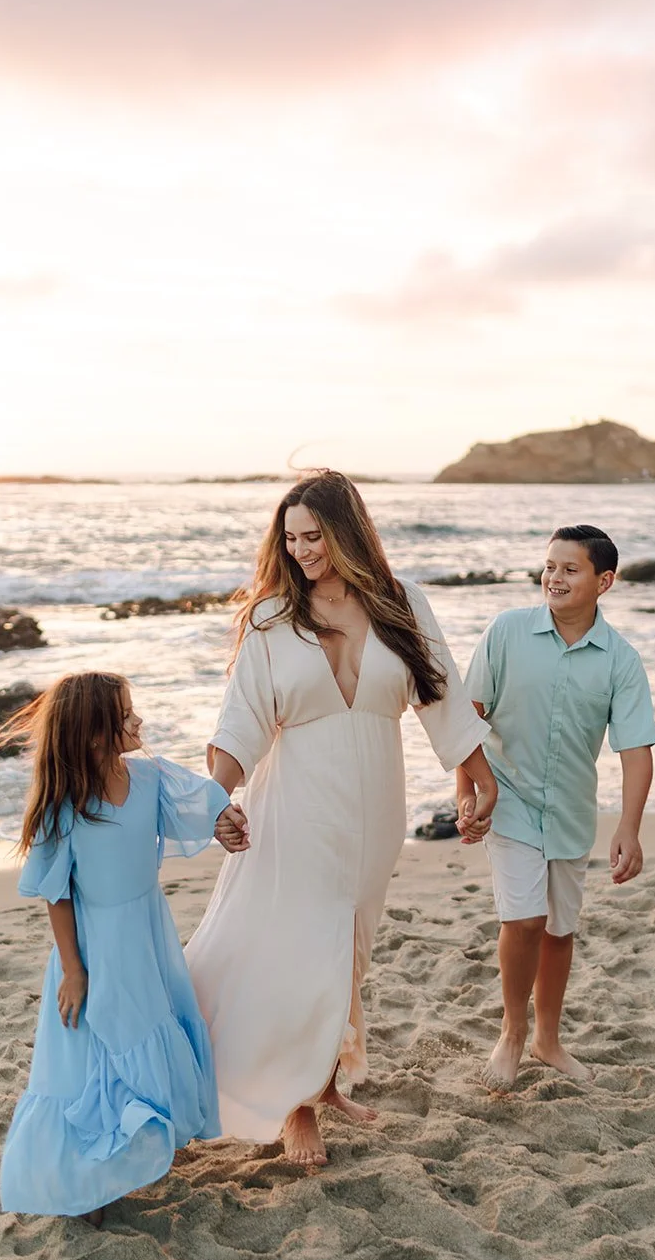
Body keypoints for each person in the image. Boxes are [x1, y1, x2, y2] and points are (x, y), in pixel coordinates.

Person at [186, 470, 496, 1167]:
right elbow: (240, 725)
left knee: (347, 946)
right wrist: (215, 799)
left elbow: (441, 695)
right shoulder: (270, 618)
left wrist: (478, 779)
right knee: (302, 945)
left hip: (376, 805)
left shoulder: (400, 602)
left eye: (313, 537)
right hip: (296, 804)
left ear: (346, 533)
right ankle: (295, 1108)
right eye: (290, 539)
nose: (300, 551)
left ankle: (323, 1082)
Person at [0, 672, 249, 1226]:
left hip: (147, 933)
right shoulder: (67, 805)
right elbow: (57, 893)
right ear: (92, 734)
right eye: (127, 714)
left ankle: (140, 1151)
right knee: (99, 1050)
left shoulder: (150, 777)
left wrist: (225, 817)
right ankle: (92, 1181)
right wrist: (73, 969)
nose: (138, 722)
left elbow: (202, 801)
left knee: (149, 1027)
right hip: (96, 945)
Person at [459, 524, 655, 1091]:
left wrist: (629, 828)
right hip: (509, 798)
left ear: (605, 581)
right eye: (550, 567)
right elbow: (467, 717)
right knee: (522, 919)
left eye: (570, 570)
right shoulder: (507, 631)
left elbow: (637, 750)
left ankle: (548, 1039)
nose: (554, 578)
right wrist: (466, 792)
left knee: (558, 930)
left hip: (572, 810)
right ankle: (513, 1031)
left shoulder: (620, 660)